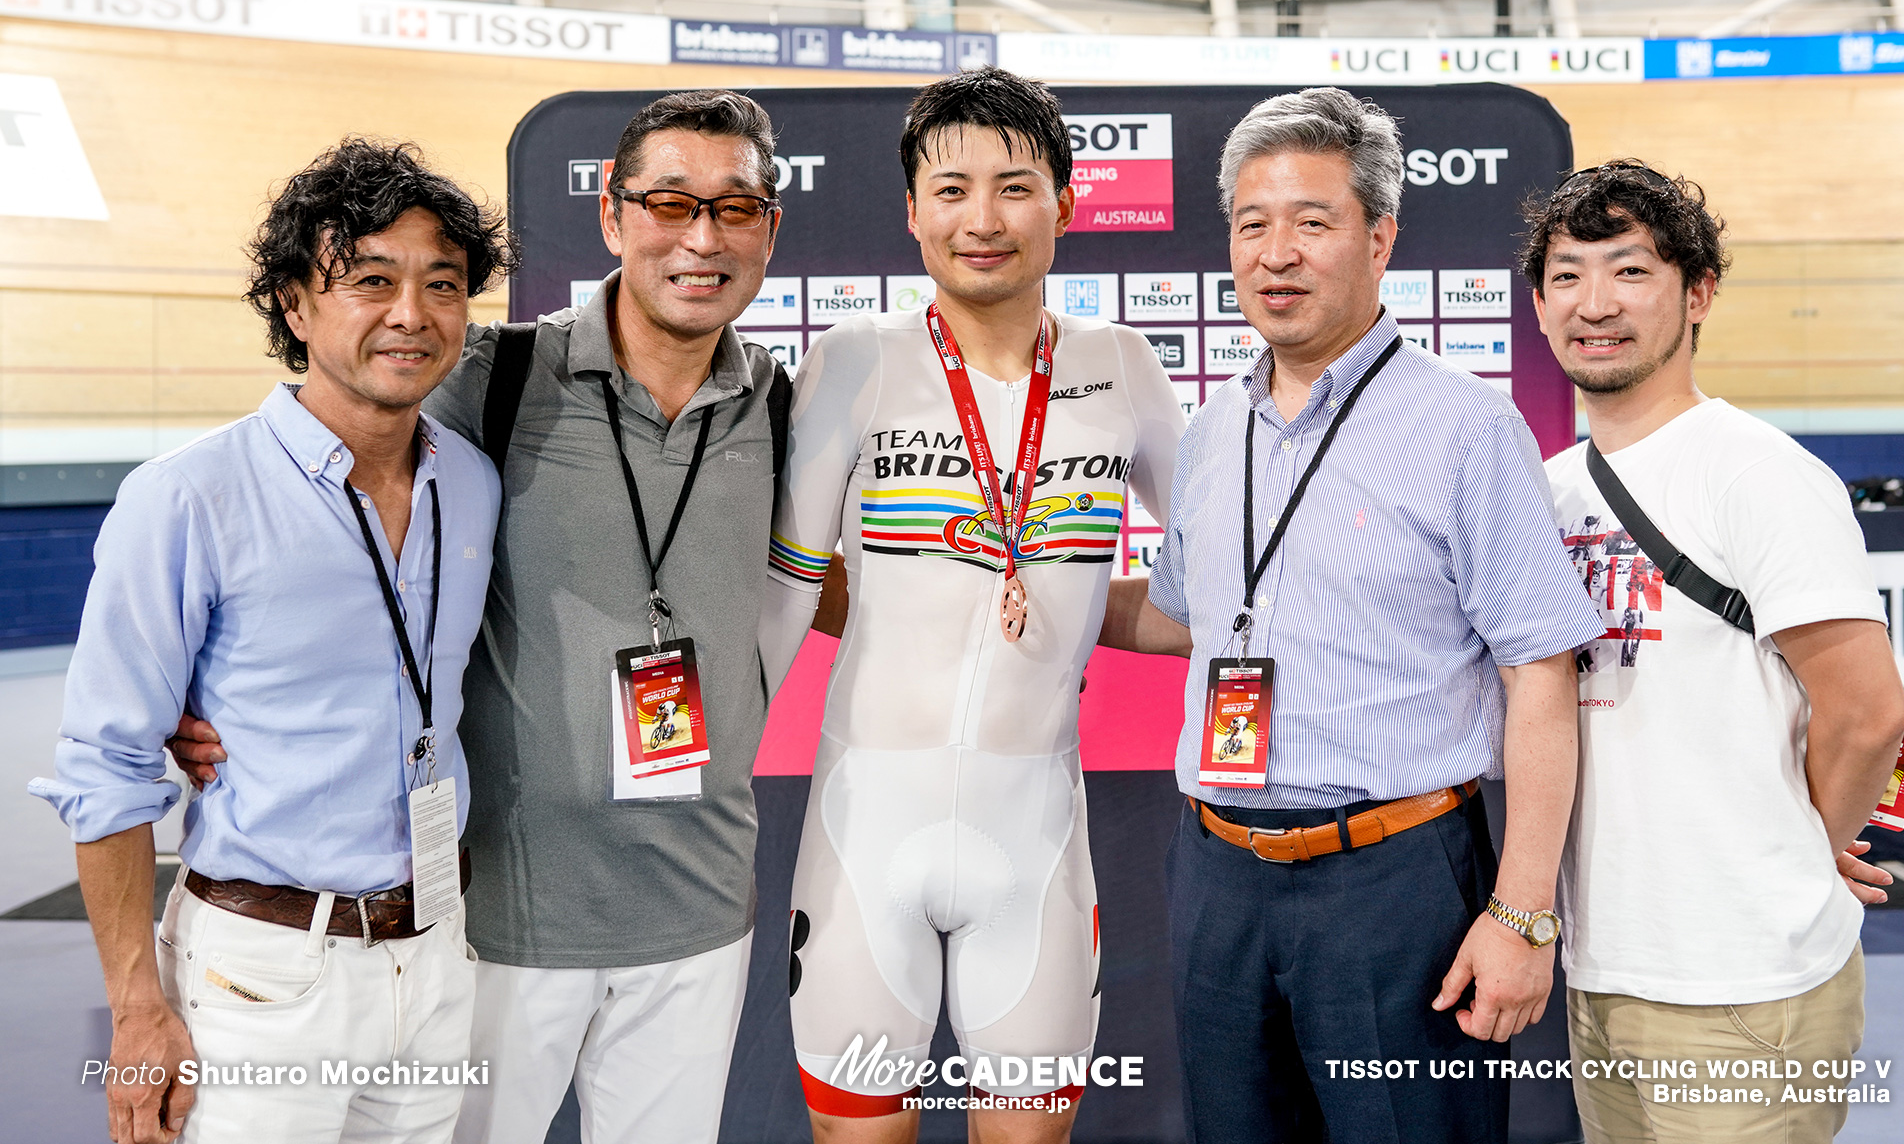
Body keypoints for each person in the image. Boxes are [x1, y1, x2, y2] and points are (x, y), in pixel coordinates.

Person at [172, 90, 792, 1143]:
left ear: (768, 227)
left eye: (735, 209)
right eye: (670, 203)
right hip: (500, 914)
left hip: (699, 908)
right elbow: (322, 527)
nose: (701, 237)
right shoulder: (488, 379)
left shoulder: (783, 402)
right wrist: (211, 697)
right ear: (612, 214)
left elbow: (854, 577)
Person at [1102, 87, 1608, 1144]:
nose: (1275, 253)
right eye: (1252, 224)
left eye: (1310, 221)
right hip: (1216, 877)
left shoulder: (1465, 427)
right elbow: (1177, 617)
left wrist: (1521, 916)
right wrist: (986, 593)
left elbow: (1541, 675)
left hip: (1394, 887)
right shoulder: (1210, 433)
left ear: (1379, 238)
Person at [31, 138, 510, 1144]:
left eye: (444, 285)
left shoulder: (469, 481)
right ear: (294, 305)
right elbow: (105, 760)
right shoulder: (187, 498)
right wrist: (135, 1009)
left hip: (431, 951)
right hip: (261, 972)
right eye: (370, 281)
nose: (411, 314)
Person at [759, 68, 1187, 1142]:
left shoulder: (1122, 364)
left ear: (1066, 203)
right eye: (950, 191)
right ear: (911, 212)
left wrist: (1085, 612)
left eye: (1015, 186)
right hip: (865, 831)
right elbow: (787, 587)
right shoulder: (852, 360)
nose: (982, 219)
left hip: (1033, 836)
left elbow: (1208, 588)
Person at [1525, 161, 1904, 1143]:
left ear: (1697, 293)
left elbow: (1867, 716)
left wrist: (1803, 842)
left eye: (1629, 271)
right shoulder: (1547, 487)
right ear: (1537, 304)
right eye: (1566, 275)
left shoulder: (1760, 474)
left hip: (1744, 980)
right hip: (1603, 969)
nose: (1594, 303)